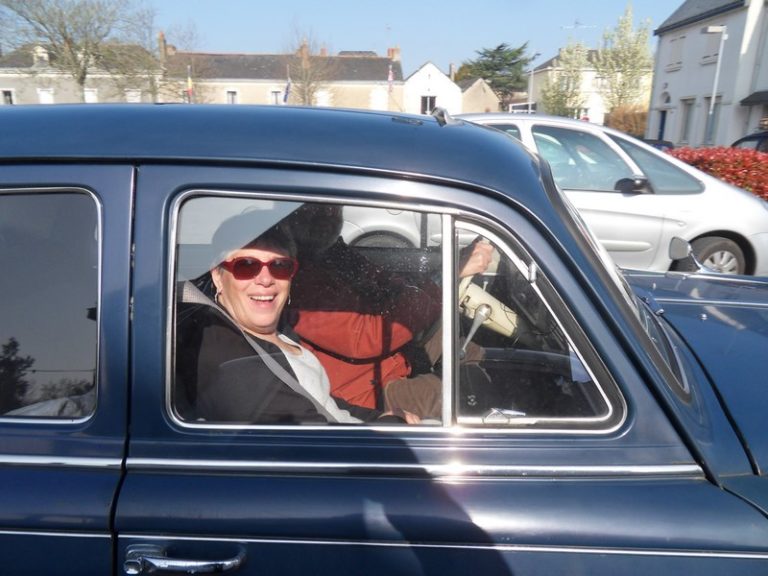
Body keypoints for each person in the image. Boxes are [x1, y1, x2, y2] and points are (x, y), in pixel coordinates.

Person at [175, 215, 411, 424]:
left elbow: (324, 403)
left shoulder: (273, 331)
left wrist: (380, 418)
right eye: (246, 266)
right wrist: (395, 426)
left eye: (280, 266)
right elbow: (320, 445)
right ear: (218, 275)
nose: (266, 280)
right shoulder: (235, 365)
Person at [286, 204, 493, 418]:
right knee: (461, 394)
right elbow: (368, 337)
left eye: (333, 207)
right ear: (294, 216)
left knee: (470, 351)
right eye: (316, 208)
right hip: (365, 390)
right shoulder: (298, 281)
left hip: (395, 356)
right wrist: (450, 273)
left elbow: (388, 283)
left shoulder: (333, 253)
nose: (329, 213)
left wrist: (436, 280)